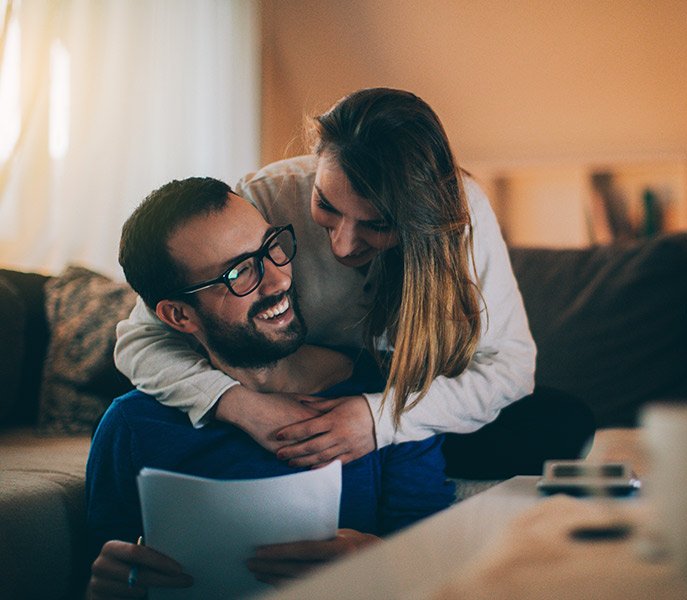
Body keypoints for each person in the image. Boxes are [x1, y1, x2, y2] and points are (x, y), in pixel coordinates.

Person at [114, 87, 595, 479]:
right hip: (292, 388)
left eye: (377, 225)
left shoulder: (462, 217)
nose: (343, 245)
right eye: (326, 204)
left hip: (405, 391)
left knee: (561, 424)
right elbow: (139, 338)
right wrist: (236, 406)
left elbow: (511, 368)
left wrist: (378, 419)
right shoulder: (265, 197)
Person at [85, 178, 454, 599]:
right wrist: (106, 589)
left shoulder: (385, 400)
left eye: (270, 246)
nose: (277, 279)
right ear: (179, 315)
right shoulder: (131, 425)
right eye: (239, 271)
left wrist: (376, 560)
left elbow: (444, 566)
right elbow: (103, 573)